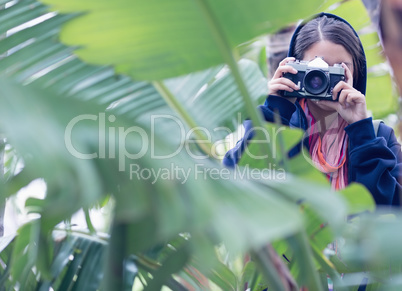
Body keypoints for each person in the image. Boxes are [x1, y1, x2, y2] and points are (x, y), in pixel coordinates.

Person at [223, 12, 401, 206]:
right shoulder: (282, 129)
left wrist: (361, 131)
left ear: (356, 73)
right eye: (318, 69)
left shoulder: (378, 137)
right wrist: (274, 112)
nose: (323, 79)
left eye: (339, 69)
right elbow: (235, 186)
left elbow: (390, 210)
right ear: (296, 69)